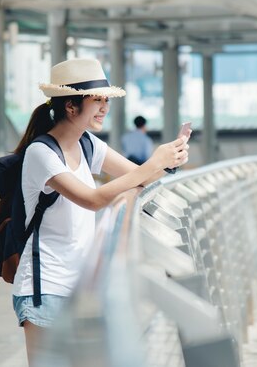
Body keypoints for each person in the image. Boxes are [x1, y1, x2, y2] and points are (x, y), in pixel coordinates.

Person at [11, 58, 191, 366]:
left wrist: (169, 160)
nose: (105, 107)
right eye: (98, 100)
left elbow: (140, 177)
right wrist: (154, 162)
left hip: (81, 285)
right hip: (45, 288)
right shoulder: (41, 152)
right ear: (71, 106)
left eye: (106, 100)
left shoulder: (87, 144)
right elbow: (92, 199)